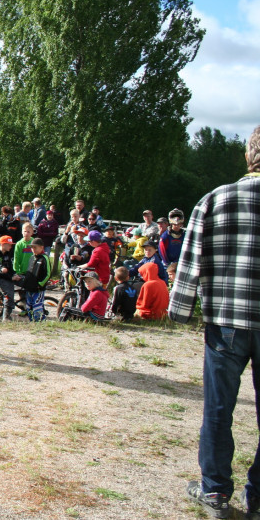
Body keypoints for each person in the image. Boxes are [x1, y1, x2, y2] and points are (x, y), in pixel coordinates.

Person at [169, 126, 260, 517]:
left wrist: (179, 310)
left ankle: (216, 491)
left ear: (248, 156)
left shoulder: (216, 199)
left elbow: (189, 262)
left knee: (219, 407)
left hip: (226, 322)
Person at [23, 238, 52, 321]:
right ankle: (32, 322)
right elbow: (28, 272)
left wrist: (40, 284)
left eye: (35, 247)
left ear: (41, 247)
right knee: (29, 307)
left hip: (38, 289)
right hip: (29, 288)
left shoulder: (44, 258)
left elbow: (48, 274)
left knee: (37, 307)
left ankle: (40, 323)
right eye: (32, 247)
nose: (33, 249)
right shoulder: (32, 257)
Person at [0, 235, 17, 321]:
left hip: (7, 276)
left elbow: (10, 267)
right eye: (9, 244)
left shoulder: (8, 254)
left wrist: (14, 274)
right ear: (3, 244)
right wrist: (11, 278)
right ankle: (6, 317)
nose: (11, 246)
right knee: (9, 293)